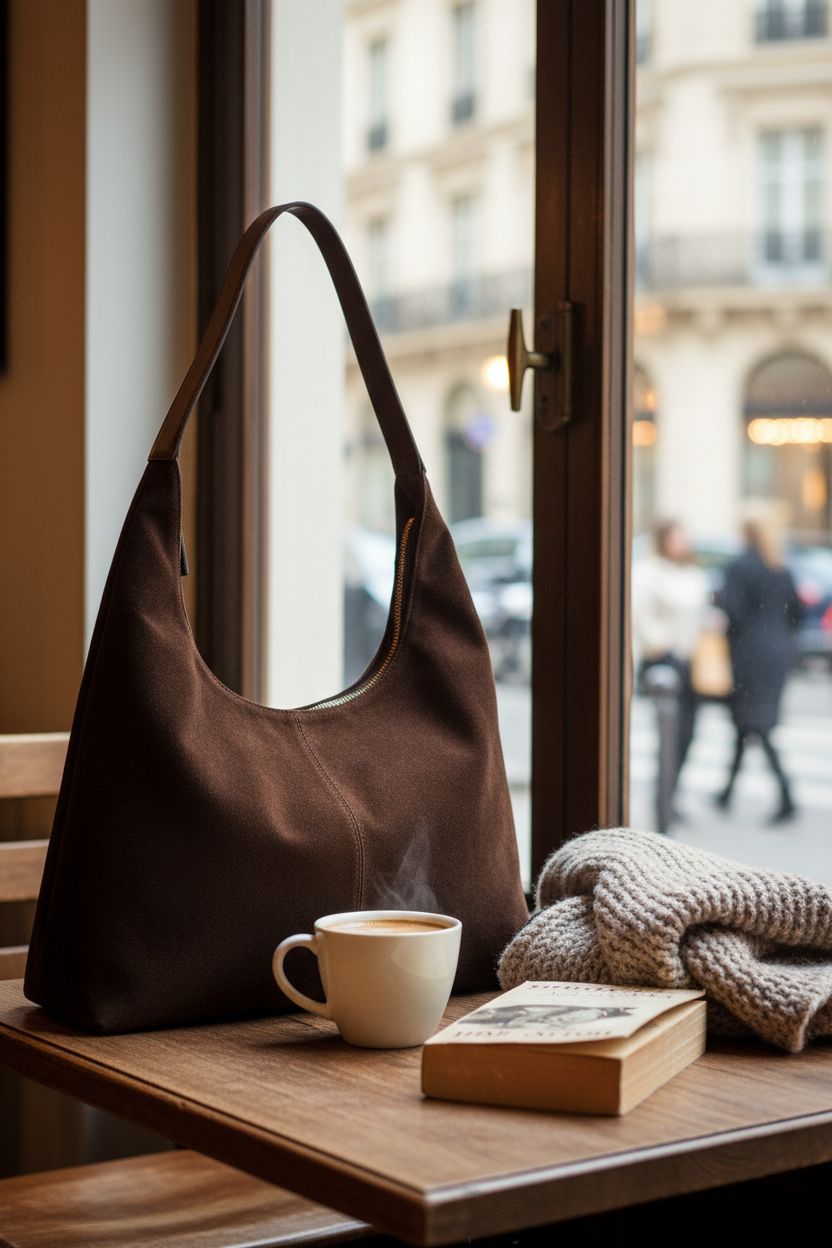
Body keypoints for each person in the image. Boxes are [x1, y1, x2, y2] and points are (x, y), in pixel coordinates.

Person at [715, 505, 804, 824]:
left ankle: (787, 795)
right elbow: (797, 614)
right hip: (778, 653)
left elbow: (733, 613)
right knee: (747, 721)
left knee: (756, 725)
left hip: (749, 654)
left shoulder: (740, 566)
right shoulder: (780, 566)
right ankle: (725, 792)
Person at [632, 520, 710, 823]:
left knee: (688, 732)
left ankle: (671, 795)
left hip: (690, 659)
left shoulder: (692, 573)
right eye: (677, 537)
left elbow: (700, 612)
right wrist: (656, 643)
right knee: (667, 732)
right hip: (663, 659)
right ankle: (661, 802)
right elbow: (639, 614)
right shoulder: (649, 572)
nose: (683, 543)